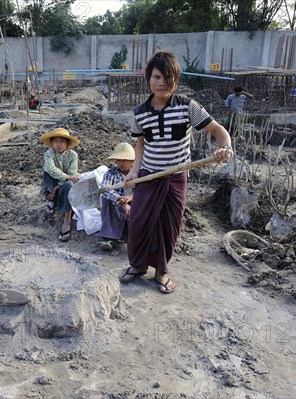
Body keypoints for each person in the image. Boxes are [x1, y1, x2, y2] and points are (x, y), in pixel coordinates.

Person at [119, 50, 233, 294]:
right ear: (149, 79)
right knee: (138, 222)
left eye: (168, 78)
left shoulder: (187, 107)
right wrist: (134, 171)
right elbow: (140, 144)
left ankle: (161, 271)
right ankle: (137, 266)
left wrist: (225, 147)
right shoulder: (138, 113)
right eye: (157, 77)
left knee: (169, 226)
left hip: (176, 178)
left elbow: (218, 130)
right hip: (149, 176)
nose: (162, 83)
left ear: (176, 80)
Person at [40, 127, 80, 242]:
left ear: (67, 143)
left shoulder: (73, 155)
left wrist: (56, 188)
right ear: (52, 143)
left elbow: (72, 174)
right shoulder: (49, 154)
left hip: (64, 184)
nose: (58, 144)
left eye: (62, 141)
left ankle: (66, 220)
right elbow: (51, 169)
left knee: (69, 186)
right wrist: (67, 177)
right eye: (56, 141)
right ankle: (51, 199)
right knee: (47, 172)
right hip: (53, 181)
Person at [98, 142, 135, 251]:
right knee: (106, 198)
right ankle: (108, 237)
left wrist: (131, 197)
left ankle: (135, 238)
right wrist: (122, 202)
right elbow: (105, 188)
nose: (121, 163)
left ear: (131, 160)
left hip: (134, 204)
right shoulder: (111, 173)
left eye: (124, 160)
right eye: (118, 160)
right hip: (117, 207)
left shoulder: (138, 173)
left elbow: (145, 191)